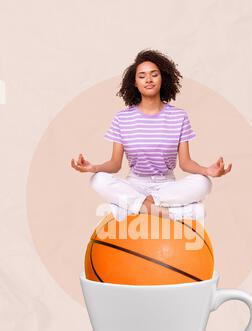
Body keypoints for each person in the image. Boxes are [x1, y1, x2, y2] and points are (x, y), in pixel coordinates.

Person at [71, 49, 232, 221]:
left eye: (154, 74)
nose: (148, 79)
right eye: (142, 76)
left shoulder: (179, 116)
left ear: (162, 79)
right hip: (135, 184)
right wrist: (93, 168)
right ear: (135, 83)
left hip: (166, 186)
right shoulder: (122, 118)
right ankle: (171, 213)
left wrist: (207, 170)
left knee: (204, 183)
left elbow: (185, 163)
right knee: (97, 180)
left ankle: (130, 207)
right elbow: (115, 164)